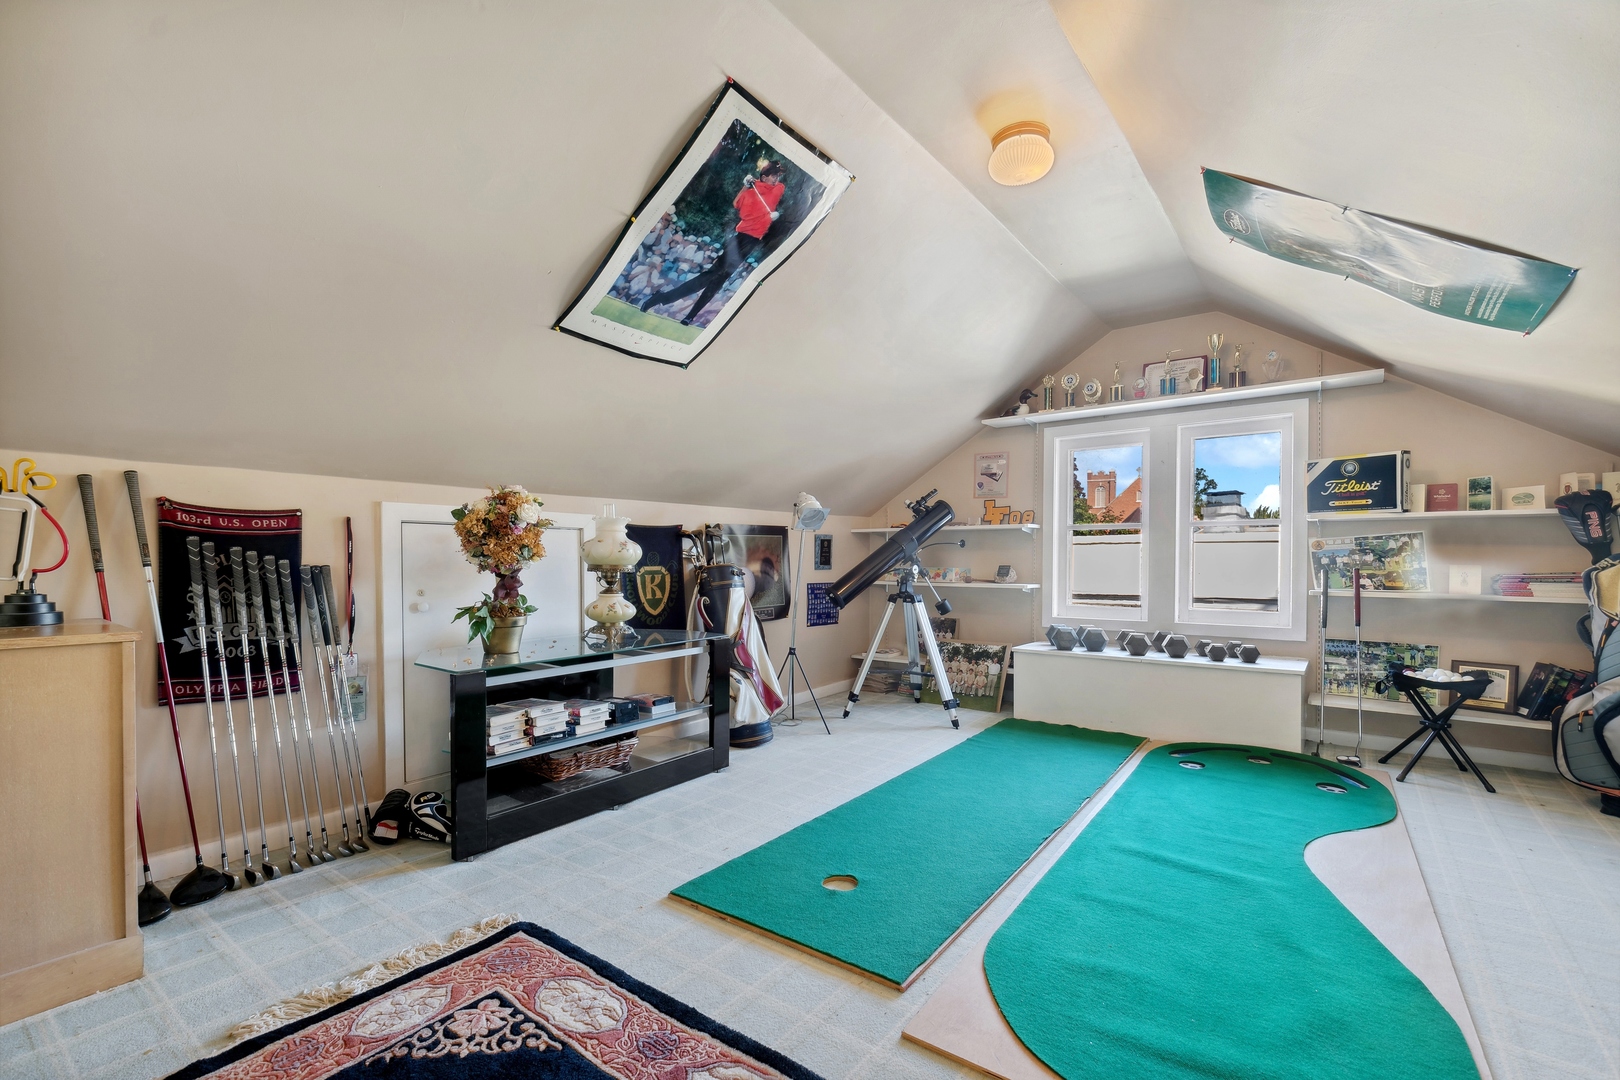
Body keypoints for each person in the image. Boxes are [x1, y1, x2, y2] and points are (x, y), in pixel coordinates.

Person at [640, 161, 786, 326]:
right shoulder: (752, 193)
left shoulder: (776, 189)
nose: (777, 179)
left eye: (778, 175)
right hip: (741, 238)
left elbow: (741, 201)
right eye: (773, 175)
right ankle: (661, 298)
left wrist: (749, 186)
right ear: (764, 177)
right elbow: (737, 205)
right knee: (710, 276)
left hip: (751, 242)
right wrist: (747, 186)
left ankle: (689, 316)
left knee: (720, 279)